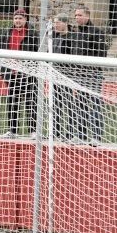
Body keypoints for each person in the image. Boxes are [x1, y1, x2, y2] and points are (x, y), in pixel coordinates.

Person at [0, 8, 39, 139]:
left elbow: (37, 53)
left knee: (30, 102)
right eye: (15, 18)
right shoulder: (7, 33)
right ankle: (12, 130)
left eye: (20, 18)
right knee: (12, 102)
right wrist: (1, 70)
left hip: (27, 74)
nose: (18, 21)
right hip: (12, 74)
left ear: (25, 20)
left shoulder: (32, 34)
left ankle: (33, 131)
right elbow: (0, 52)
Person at [71, 5, 108, 146]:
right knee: (80, 104)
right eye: (75, 15)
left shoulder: (97, 33)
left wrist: (91, 69)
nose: (77, 18)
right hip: (78, 75)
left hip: (93, 74)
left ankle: (97, 137)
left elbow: (102, 55)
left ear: (87, 16)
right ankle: (81, 135)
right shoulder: (75, 33)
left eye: (79, 15)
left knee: (95, 104)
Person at [50, 13, 76, 142]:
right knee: (56, 104)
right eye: (55, 23)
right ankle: (55, 131)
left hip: (68, 76)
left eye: (58, 22)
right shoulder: (54, 38)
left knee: (70, 105)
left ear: (65, 23)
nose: (55, 25)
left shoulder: (72, 38)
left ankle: (70, 132)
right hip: (55, 76)